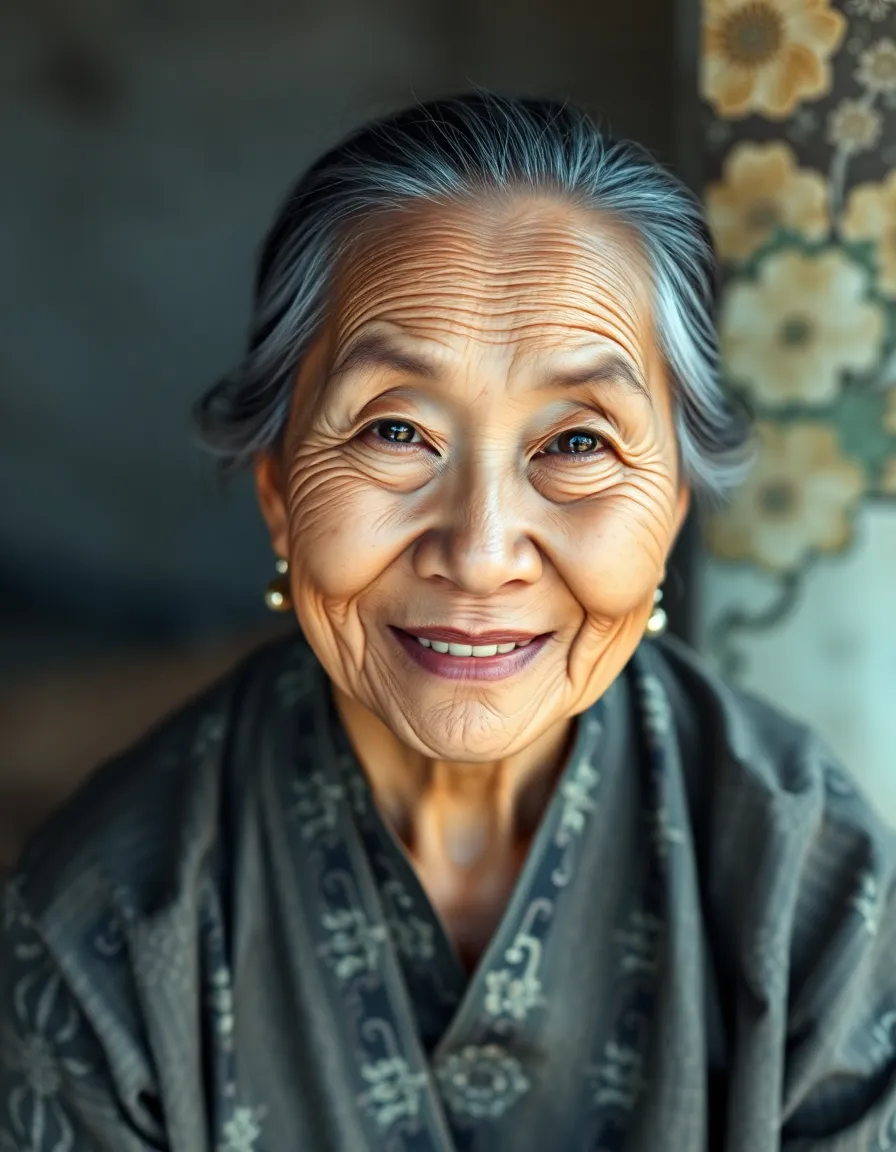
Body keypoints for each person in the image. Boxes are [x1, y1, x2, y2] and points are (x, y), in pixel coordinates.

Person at [1, 94, 894, 1152]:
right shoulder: (102, 933)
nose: (477, 551)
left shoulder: (805, 884)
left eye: (575, 443)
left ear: (671, 507)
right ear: (279, 488)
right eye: (394, 429)